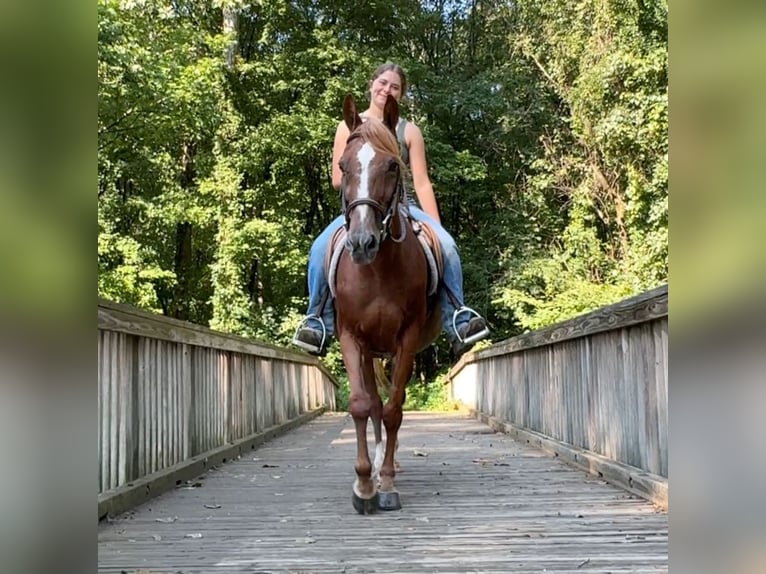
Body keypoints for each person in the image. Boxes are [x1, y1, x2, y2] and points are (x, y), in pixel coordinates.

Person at [292, 62, 489, 357]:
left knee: (447, 247)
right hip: (360, 204)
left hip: (403, 206)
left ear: (401, 94)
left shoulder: (409, 131)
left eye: (394, 86)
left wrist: (437, 227)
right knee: (320, 248)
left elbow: (421, 183)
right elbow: (337, 179)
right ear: (371, 84)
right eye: (382, 83)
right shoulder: (349, 125)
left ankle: (456, 316)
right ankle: (317, 318)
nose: (387, 89)